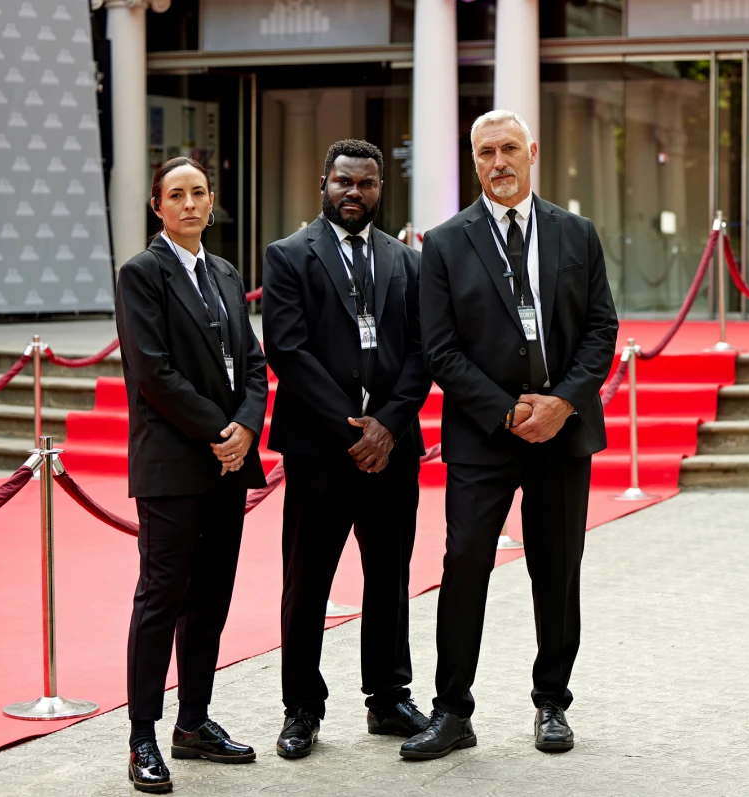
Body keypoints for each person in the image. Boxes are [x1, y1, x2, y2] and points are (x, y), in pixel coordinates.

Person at [402, 110, 618, 760]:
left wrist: (560, 403)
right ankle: (451, 710)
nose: (499, 161)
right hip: (480, 437)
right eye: (486, 152)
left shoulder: (576, 233)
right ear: (475, 161)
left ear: (533, 153)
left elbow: (601, 329)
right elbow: (439, 349)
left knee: (557, 568)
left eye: (509, 149)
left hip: (563, 431)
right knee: (465, 564)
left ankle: (552, 702)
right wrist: (506, 411)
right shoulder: (443, 243)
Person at [262, 139, 433, 759]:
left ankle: (388, 698)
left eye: (365, 183)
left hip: (393, 449)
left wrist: (387, 424)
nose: (353, 193)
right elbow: (287, 348)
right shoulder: (287, 256)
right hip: (318, 448)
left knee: (390, 575)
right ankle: (301, 708)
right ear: (324, 184)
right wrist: (352, 428)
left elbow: (424, 351)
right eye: (343, 182)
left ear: (380, 188)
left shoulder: (408, 262)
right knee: (308, 581)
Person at [115, 157, 268, 793]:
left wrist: (245, 428)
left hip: (227, 464)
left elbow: (254, 365)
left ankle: (194, 723)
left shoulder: (228, 273)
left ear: (212, 202)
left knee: (211, 599)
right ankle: (142, 737)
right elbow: (153, 374)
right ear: (158, 206)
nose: (188, 204)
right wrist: (219, 431)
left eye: (198, 193)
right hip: (174, 464)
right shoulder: (142, 274)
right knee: (161, 599)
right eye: (175, 195)